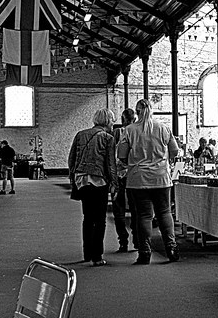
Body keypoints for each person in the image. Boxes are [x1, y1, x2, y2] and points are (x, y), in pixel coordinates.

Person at [118, 99, 180, 264]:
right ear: (152, 111)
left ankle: (145, 252)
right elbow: (174, 151)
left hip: (138, 179)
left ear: (137, 112)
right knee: (164, 213)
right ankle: (171, 248)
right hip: (161, 178)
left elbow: (121, 155)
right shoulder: (163, 128)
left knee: (143, 215)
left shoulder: (129, 130)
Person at [68, 108, 119, 266]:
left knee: (87, 218)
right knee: (100, 220)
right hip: (99, 181)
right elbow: (111, 164)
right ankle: (97, 256)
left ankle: (87, 253)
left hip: (81, 180)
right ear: (108, 121)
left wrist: (73, 179)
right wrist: (114, 184)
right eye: (112, 121)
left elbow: (71, 159)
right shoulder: (108, 138)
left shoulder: (80, 134)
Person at [111, 108, 137, 253]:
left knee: (119, 210)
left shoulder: (118, 132)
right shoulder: (138, 131)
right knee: (135, 210)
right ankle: (137, 240)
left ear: (123, 119)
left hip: (119, 175)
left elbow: (112, 153)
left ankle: (123, 242)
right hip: (134, 175)